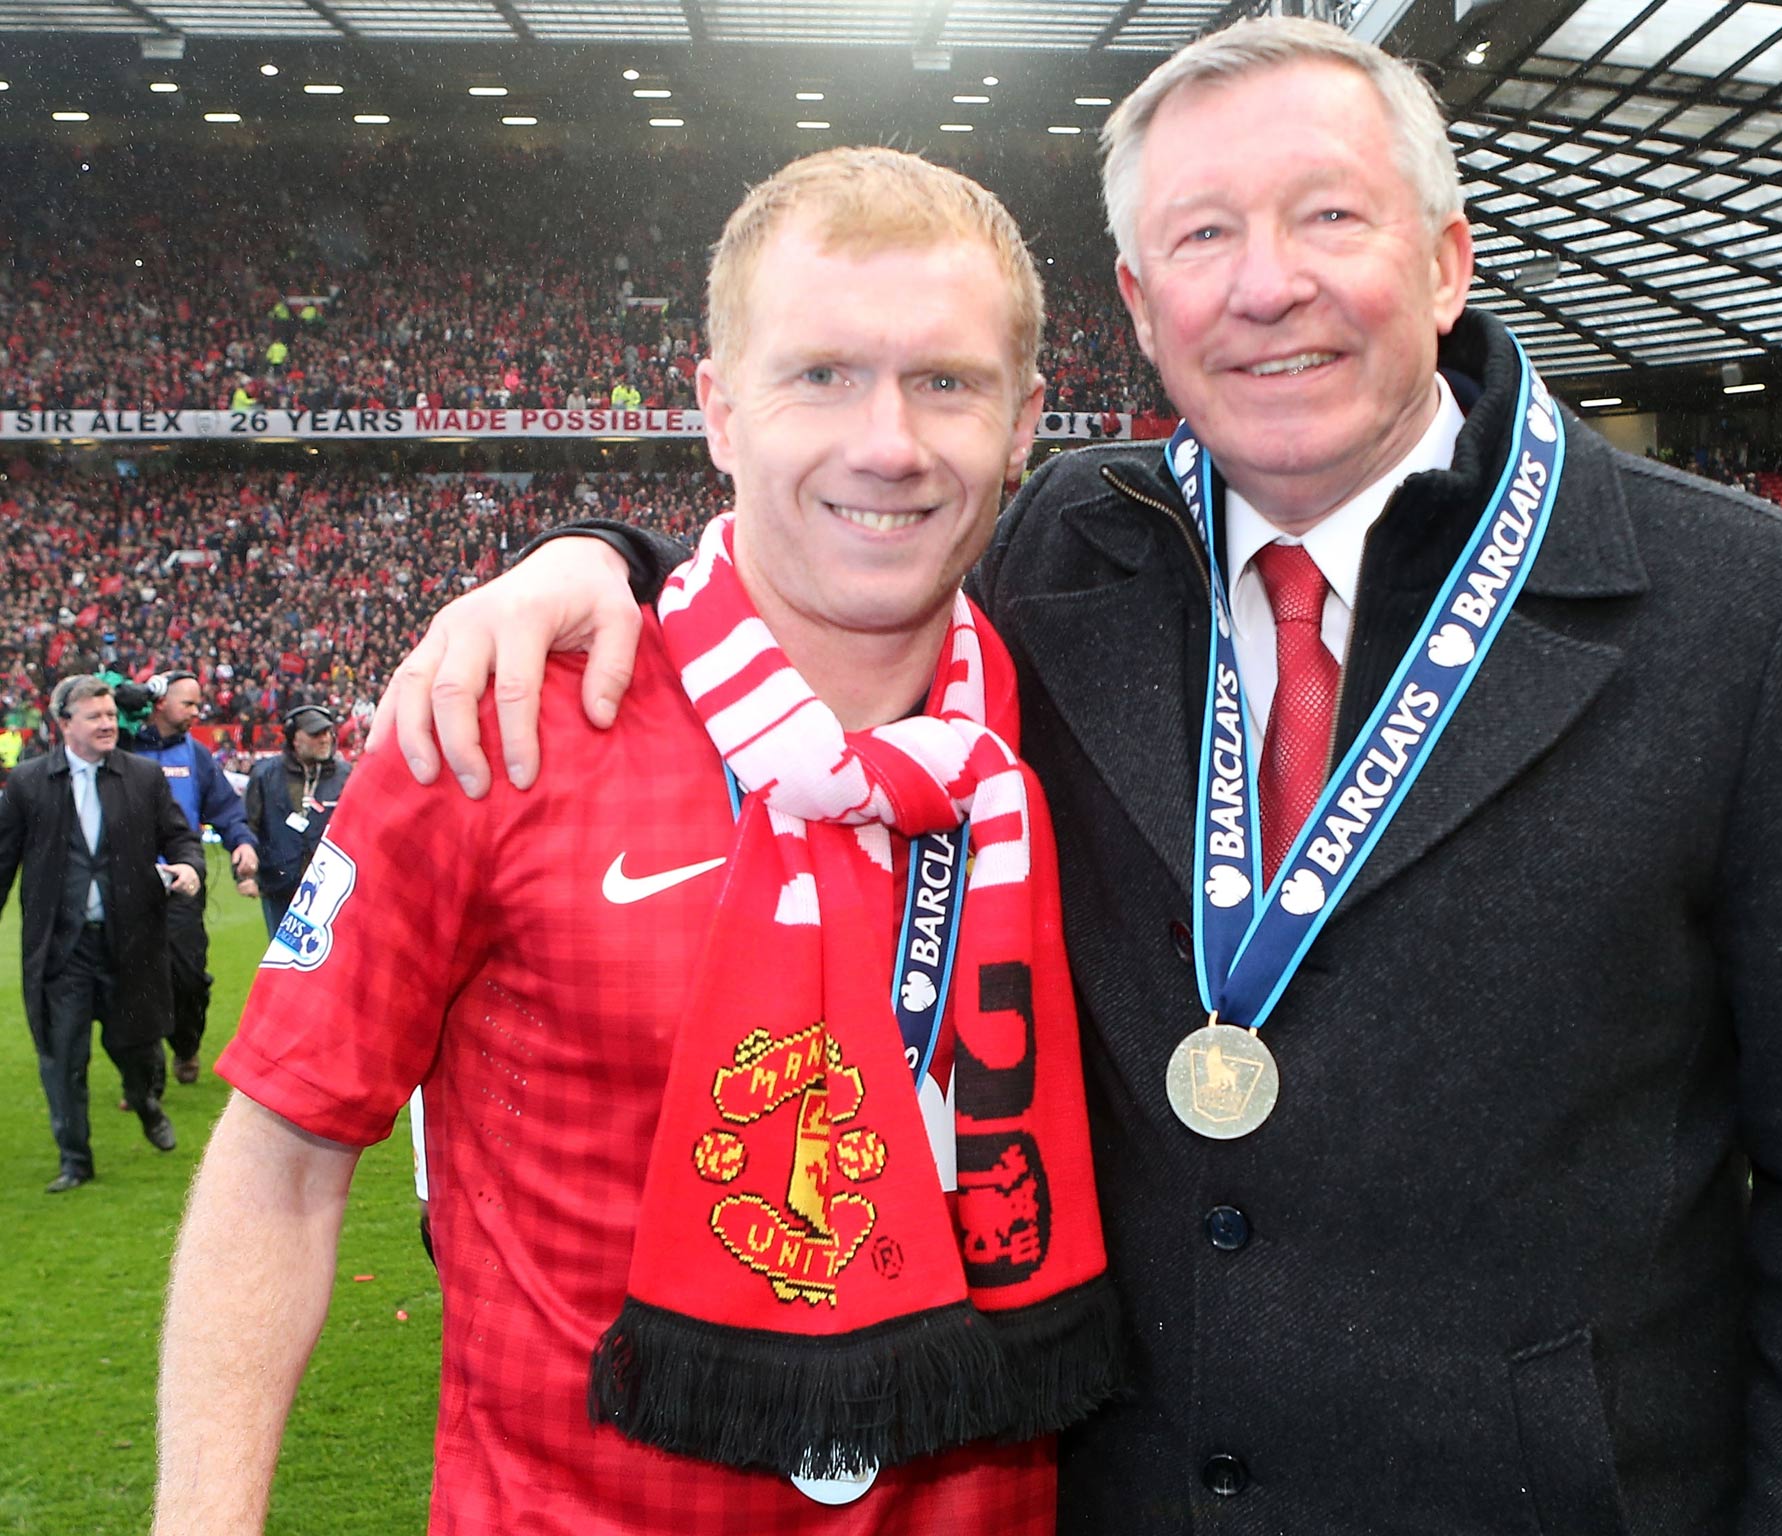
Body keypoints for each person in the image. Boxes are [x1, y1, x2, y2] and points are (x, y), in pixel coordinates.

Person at [374, 19, 1782, 1533]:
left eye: (1328, 215)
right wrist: (601, 561)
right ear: (1141, 305)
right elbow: (823, 563)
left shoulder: (1748, 610)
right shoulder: (1071, 545)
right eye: (1204, 237)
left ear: (1447, 256)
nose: (1266, 286)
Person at [155, 149, 1120, 1536]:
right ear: (718, 409)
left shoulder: (1070, 724)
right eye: (821, 374)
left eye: (948, 383)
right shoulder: (501, 724)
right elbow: (285, 1157)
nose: (890, 441)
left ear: (1026, 421)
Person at [0, 675, 201, 1192]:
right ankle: (75, 1160)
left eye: (111, 715)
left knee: (135, 1046)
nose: (108, 724)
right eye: (95, 716)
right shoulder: (26, 784)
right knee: (62, 1056)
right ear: (64, 724)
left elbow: (180, 836)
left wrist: (187, 865)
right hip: (61, 950)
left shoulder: (142, 777)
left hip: (129, 943)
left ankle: (147, 1101)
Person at [122, 670, 260, 1084]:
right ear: (159, 702)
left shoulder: (195, 755)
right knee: (133, 979)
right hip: (128, 880)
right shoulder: (121, 747)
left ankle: (186, 1045)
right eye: (189, 704)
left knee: (187, 975)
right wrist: (131, 695)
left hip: (185, 881)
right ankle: (144, 1075)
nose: (196, 712)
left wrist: (242, 841)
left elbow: (226, 808)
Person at [241, 703, 350, 936]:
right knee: (285, 964)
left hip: (333, 888)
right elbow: (247, 825)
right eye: (315, 734)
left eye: (327, 733)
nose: (324, 739)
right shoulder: (265, 775)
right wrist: (245, 875)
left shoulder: (346, 776)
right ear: (294, 738)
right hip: (280, 886)